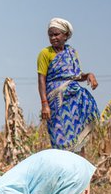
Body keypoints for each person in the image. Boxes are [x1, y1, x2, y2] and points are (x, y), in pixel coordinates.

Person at [37, 17, 100, 153]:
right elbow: (41, 80)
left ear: (65, 35)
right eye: (50, 35)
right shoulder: (45, 54)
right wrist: (44, 104)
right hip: (56, 101)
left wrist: (89, 75)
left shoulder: (71, 52)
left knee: (78, 135)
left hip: (73, 99)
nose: (53, 38)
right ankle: (63, 170)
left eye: (56, 34)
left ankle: (80, 169)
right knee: (59, 134)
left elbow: (76, 76)